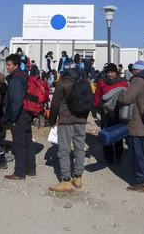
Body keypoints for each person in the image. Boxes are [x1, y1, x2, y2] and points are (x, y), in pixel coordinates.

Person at [47, 59, 89, 192]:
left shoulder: (63, 82)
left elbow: (55, 104)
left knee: (64, 149)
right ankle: (77, 177)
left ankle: (65, 181)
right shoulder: (84, 81)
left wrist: (52, 121)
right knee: (79, 149)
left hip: (66, 120)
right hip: (81, 120)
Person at [118, 60, 144, 192]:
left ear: (136, 70)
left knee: (138, 155)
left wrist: (120, 95)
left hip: (137, 123)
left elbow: (126, 98)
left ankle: (142, 182)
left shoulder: (138, 81)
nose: (132, 71)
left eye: (133, 69)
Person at [3, 54, 36, 180]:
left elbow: (16, 101)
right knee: (28, 141)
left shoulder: (16, 80)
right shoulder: (24, 76)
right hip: (27, 113)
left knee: (19, 144)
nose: (7, 67)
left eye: (9, 65)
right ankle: (30, 169)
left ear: (16, 65)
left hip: (19, 115)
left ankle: (19, 172)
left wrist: (14, 119)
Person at [93, 63, 129, 165]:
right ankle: (108, 158)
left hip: (118, 112)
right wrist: (95, 107)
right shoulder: (102, 81)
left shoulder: (122, 82)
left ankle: (118, 156)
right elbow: (98, 94)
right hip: (105, 112)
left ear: (116, 73)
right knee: (106, 134)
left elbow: (127, 95)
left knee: (118, 135)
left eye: (112, 72)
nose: (110, 74)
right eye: (108, 72)